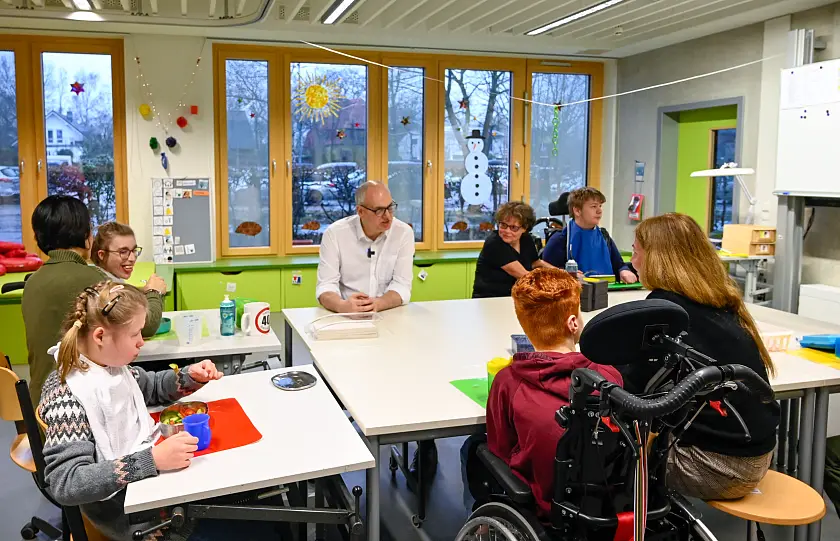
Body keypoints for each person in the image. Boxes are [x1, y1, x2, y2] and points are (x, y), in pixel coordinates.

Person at [38, 281, 224, 541]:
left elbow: (154, 387)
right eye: (135, 334)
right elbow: (67, 481)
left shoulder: (110, 366)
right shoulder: (67, 394)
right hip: (133, 521)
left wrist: (190, 376)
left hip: (150, 496)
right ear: (100, 336)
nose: (141, 342)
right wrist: (152, 460)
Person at [626, 213, 780, 500]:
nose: (633, 261)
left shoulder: (665, 309)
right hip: (759, 454)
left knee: (612, 450)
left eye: (636, 251)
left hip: (718, 468)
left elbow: (635, 387)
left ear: (657, 257)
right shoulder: (720, 300)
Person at [464, 268, 623, 518]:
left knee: (473, 446)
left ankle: (484, 520)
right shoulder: (608, 374)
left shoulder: (508, 381)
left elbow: (501, 448)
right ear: (573, 323)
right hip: (604, 504)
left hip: (542, 507)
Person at [22, 195, 104, 408]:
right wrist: (153, 291)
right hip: (77, 410)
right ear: (86, 236)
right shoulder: (93, 280)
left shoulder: (32, 283)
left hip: (39, 405)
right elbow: (146, 324)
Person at [316, 180, 414, 313]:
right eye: (379, 210)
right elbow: (326, 286)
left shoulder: (403, 233)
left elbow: (402, 285)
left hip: (388, 313)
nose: (387, 216)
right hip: (346, 314)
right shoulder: (335, 234)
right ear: (360, 211)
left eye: (390, 208)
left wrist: (377, 304)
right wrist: (343, 306)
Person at [542, 187, 637, 284]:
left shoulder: (604, 236)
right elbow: (544, 274)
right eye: (594, 206)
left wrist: (624, 271)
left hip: (608, 291)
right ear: (577, 211)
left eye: (600, 206)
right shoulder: (560, 239)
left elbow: (619, 265)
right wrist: (566, 275)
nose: (599, 211)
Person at [91, 221, 167, 337]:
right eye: (123, 252)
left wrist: (143, 290)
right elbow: (147, 326)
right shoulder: (104, 287)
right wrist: (154, 292)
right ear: (102, 255)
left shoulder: (109, 277)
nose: (132, 258)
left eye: (134, 251)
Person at [472, 202, 550, 298]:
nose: (507, 231)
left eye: (513, 227)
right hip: (491, 300)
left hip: (517, 299)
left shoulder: (526, 239)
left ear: (524, 228)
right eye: (503, 225)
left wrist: (563, 274)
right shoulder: (494, 243)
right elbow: (524, 276)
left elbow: (536, 263)